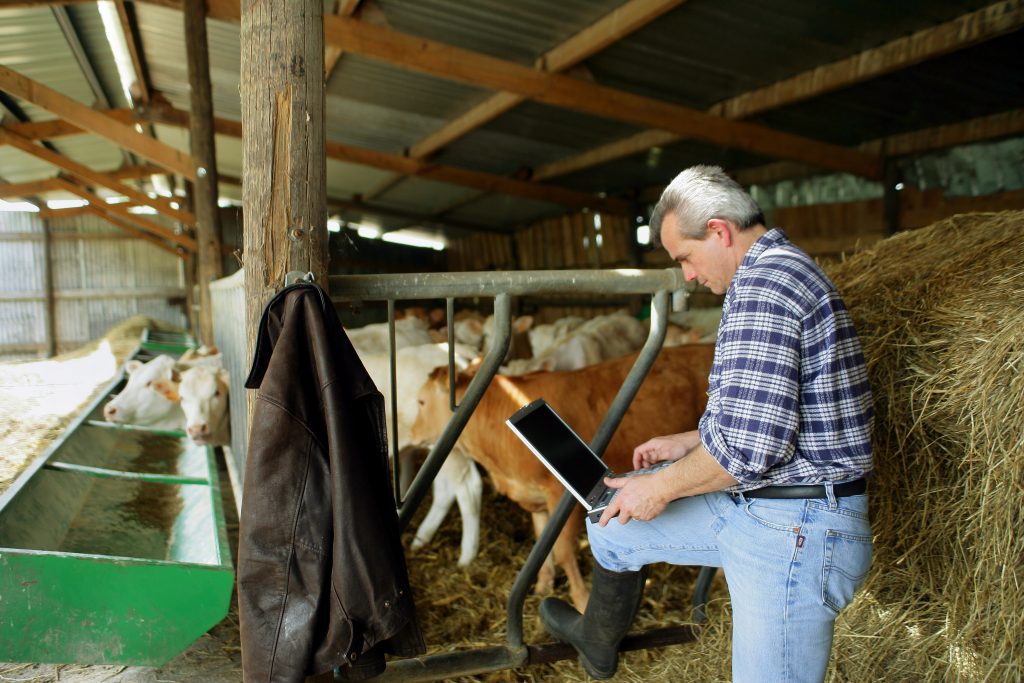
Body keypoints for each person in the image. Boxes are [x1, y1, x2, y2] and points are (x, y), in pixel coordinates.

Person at [539, 165, 874, 682]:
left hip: (796, 528)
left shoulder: (768, 285)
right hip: (763, 503)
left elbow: (750, 452)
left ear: (718, 231)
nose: (688, 277)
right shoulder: (767, 275)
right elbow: (772, 416)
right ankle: (596, 639)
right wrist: (689, 441)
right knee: (613, 528)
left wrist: (661, 489)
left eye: (685, 259)